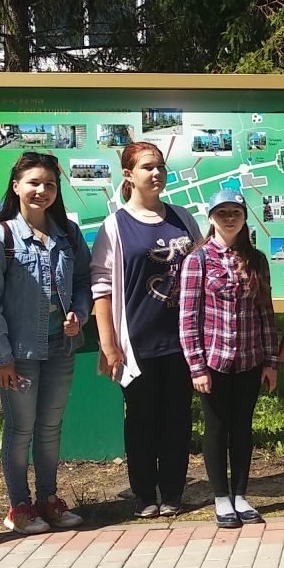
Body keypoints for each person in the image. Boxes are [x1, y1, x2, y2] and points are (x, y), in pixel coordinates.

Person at [0, 152, 92, 536]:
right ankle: (19, 506)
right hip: (19, 354)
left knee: (50, 427)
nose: (42, 190)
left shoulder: (68, 234)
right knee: (20, 429)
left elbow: (84, 282)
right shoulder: (1, 238)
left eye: (50, 184)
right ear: (16, 186)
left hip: (60, 348)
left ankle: (48, 499)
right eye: (34, 183)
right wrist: (1, 357)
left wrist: (80, 314)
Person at [91, 141, 201, 517]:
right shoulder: (114, 226)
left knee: (177, 419)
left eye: (160, 166)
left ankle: (172, 492)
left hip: (182, 341)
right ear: (128, 175)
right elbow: (101, 288)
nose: (156, 173)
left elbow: (201, 268)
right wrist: (108, 344)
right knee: (141, 420)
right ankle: (144, 495)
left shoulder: (183, 218)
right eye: (147, 167)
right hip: (137, 343)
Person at [180, 188, 279, 529]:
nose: (229, 218)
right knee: (217, 428)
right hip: (214, 362)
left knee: (242, 428)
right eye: (222, 213)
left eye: (235, 212)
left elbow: (265, 313)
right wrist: (197, 366)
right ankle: (221, 498)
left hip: (250, 359)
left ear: (244, 216)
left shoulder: (256, 260)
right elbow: (188, 318)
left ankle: (240, 494)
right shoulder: (198, 260)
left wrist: (271, 362)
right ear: (210, 217)